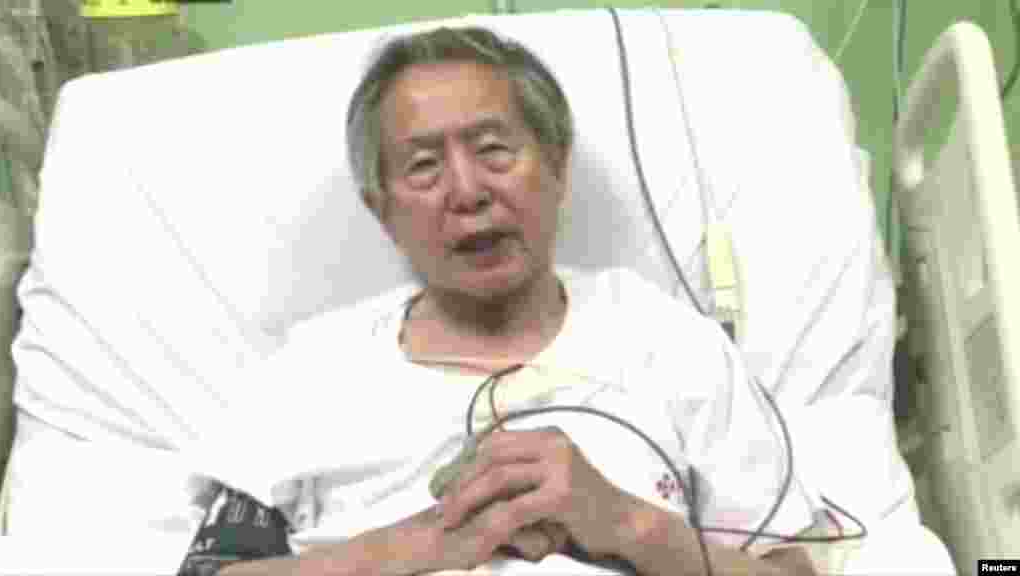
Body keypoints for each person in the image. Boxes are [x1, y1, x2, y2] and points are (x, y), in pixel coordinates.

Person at [214, 26, 824, 576]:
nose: (468, 191)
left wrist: (625, 524)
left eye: (494, 151)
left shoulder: (669, 345)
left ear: (556, 167)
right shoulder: (309, 375)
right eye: (424, 166)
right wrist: (419, 543)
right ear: (382, 209)